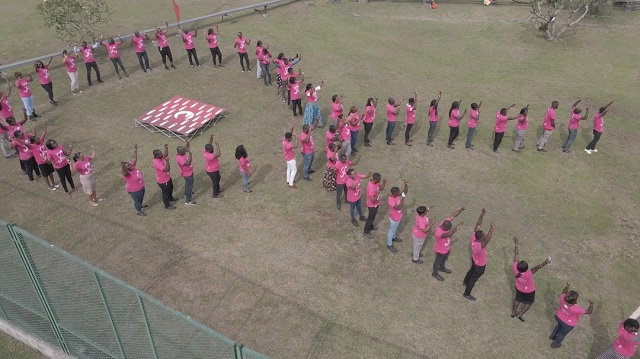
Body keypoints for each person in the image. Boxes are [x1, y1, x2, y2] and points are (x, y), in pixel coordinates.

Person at [511, 236, 552, 321]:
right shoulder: (529, 273)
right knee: (529, 302)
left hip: (519, 289)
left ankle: (513, 313)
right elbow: (538, 267)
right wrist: (545, 262)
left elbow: (516, 254)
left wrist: (516, 244)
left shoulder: (515, 269)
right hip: (529, 291)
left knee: (517, 299)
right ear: (526, 268)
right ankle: (520, 314)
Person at [549, 282, 594, 348]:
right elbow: (589, 312)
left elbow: (564, 292)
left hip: (559, 317)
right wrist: (591, 304)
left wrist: (567, 286)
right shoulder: (576, 309)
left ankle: (552, 336)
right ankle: (555, 344)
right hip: (568, 324)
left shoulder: (562, 298)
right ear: (575, 301)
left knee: (558, 326)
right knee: (562, 333)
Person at [462, 208, 494, 300]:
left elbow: (478, 224)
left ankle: (465, 282)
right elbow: (488, 239)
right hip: (480, 265)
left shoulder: (473, 237)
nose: (484, 237)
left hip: (474, 260)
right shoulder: (480, 246)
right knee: (474, 278)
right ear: (480, 239)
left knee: (471, 270)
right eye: (483, 236)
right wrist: (491, 228)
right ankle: (467, 293)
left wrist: (482, 213)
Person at [432, 207, 465, 279]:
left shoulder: (444, 223)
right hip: (440, 250)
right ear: (446, 228)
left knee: (444, 259)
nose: (450, 229)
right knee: (437, 262)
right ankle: (434, 273)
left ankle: (442, 267)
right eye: (449, 228)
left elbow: (453, 216)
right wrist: (455, 230)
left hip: (446, 248)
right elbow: (448, 234)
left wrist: (461, 210)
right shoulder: (439, 233)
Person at [27, 122, 58, 190]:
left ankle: (53, 183)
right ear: (34, 142)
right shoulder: (32, 146)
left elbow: (44, 134)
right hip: (41, 163)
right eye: (37, 139)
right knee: (45, 175)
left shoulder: (41, 141)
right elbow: (25, 144)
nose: (39, 139)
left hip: (48, 160)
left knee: (50, 172)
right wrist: (18, 140)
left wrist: (45, 126)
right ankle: (49, 185)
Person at [122, 145, 147, 216]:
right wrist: (125, 169)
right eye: (128, 166)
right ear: (125, 169)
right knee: (137, 201)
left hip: (141, 187)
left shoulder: (132, 167)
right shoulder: (127, 174)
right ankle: (139, 211)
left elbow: (134, 158)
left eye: (129, 165)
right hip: (134, 191)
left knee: (141, 198)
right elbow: (124, 172)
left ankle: (140, 205)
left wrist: (135, 149)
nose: (130, 166)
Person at [153, 144, 177, 210]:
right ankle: (167, 205)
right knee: (165, 193)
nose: (162, 154)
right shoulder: (157, 163)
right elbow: (167, 169)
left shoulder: (160, 157)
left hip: (167, 178)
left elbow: (165, 155)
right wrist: (167, 161)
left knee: (171, 187)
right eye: (160, 154)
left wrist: (166, 148)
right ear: (156, 156)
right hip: (163, 181)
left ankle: (171, 198)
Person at [363, 173, 386, 239]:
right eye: (379, 179)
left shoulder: (375, 183)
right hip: (372, 205)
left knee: (373, 216)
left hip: (376, 204)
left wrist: (384, 183)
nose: (380, 180)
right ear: (375, 179)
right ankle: (366, 231)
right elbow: (372, 200)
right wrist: (376, 194)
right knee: (370, 218)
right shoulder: (371, 187)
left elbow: (380, 188)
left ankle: (371, 226)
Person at [386, 182, 408, 253]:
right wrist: (403, 199)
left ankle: (394, 237)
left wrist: (406, 184)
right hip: (394, 218)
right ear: (394, 193)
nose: (399, 193)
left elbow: (405, 192)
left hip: (398, 217)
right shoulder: (391, 200)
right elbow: (399, 207)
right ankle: (389, 244)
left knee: (394, 230)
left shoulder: (396, 195)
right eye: (398, 192)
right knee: (391, 231)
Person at [176, 141, 196, 205]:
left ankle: (186, 193)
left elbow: (186, 148)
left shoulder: (182, 153)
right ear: (180, 152)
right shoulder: (179, 158)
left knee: (188, 185)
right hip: (187, 174)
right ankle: (188, 201)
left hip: (189, 172)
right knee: (189, 187)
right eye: (184, 151)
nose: (185, 151)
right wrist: (190, 154)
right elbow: (188, 163)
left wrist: (187, 143)